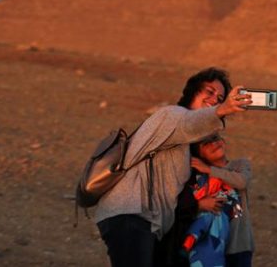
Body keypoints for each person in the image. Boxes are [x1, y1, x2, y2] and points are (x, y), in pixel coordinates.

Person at [95, 67, 251, 267]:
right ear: (192, 93)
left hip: (146, 221)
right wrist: (223, 109)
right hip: (130, 213)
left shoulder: (185, 143)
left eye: (220, 98)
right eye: (209, 92)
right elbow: (189, 123)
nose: (214, 99)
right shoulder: (172, 115)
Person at [169, 134, 255, 267]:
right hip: (210, 245)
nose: (213, 144)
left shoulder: (239, 165)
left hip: (239, 244)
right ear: (199, 154)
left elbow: (242, 182)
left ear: (223, 141)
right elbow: (184, 206)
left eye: (215, 138)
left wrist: (209, 170)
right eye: (206, 143)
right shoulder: (198, 179)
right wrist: (200, 205)